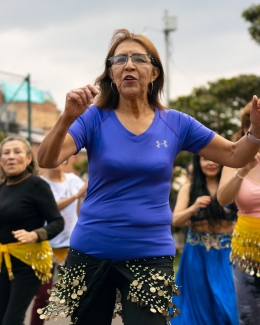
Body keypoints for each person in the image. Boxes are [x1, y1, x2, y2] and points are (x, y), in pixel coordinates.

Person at [36, 28, 260, 325]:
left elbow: (234, 155)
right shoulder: (94, 118)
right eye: (119, 60)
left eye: (139, 59)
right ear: (111, 74)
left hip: (150, 254)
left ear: (154, 72)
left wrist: (255, 132)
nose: (129, 65)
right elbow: (46, 158)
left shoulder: (176, 123)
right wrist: (66, 117)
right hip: (91, 249)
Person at [0, 135, 64, 325]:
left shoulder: (37, 185)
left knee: (12, 320)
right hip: (4, 262)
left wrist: (36, 234)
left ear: (29, 158)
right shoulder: (2, 188)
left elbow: (57, 222)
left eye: (17, 152)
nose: (11, 157)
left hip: (30, 263)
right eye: (6, 153)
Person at [170, 155, 239, 325]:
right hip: (196, 253)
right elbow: (175, 220)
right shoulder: (189, 189)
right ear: (197, 163)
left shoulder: (234, 186)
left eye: (215, 159)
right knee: (198, 305)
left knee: (228, 304)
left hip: (227, 255)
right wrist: (193, 207)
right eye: (204, 159)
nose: (211, 162)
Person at [217, 102, 260, 325]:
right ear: (248, 130)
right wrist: (242, 171)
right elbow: (222, 199)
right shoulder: (235, 161)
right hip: (247, 254)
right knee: (249, 316)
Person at [30, 160, 88, 325]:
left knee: (80, 293)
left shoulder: (74, 180)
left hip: (73, 244)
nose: (56, 161)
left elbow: (81, 208)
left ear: (67, 160)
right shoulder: (40, 184)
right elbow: (51, 208)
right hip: (46, 245)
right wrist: (76, 195)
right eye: (52, 158)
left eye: (61, 157)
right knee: (43, 296)